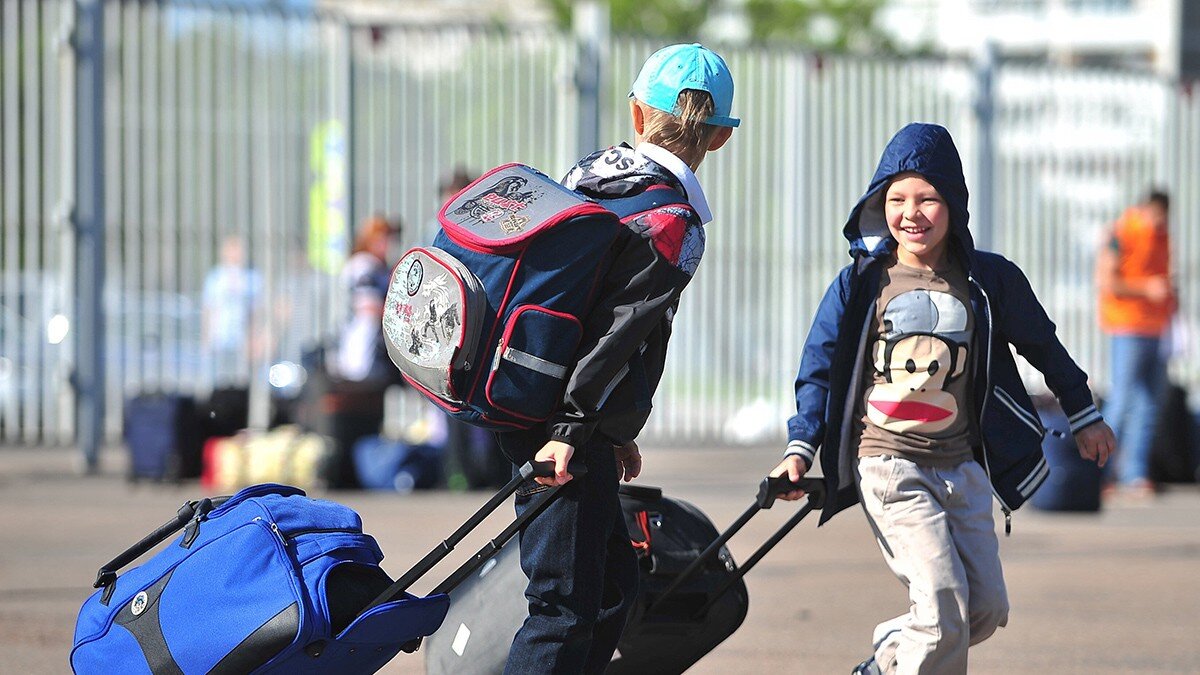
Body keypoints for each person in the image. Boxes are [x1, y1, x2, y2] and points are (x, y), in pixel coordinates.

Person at [768, 123, 1114, 675]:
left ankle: (886, 661)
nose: (912, 213)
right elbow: (819, 371)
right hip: (888, 464)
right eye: (897, 199)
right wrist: (800, 448)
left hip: (962, 468)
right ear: (879, 206)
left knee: (983, 609)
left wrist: (1083, 413)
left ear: (954, 204)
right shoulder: (859, 284)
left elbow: (1043, 345)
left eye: (928, 198)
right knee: (941, 608)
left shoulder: (987, 280)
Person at [497, 43, 736, 674]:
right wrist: (577, 429)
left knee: (610, 590)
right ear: (717, 139)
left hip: (531, 389)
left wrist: (612, 430)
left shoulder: (585, 177)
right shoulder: (673, 219)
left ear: (637, 115)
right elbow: (622, 332)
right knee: (563, 606)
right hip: (563, 425)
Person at [1096, 189, 1176, 498]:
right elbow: (1107, 280)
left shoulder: (1162, 235)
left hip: (1156, 327)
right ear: (1146, 209)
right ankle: (1102, 474)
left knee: (1149, 403)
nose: (1159, 222)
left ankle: (1135, 473)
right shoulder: (1122, 232)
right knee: (1122, 398)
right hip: (1127, 325)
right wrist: (1147, 288)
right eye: (1156, 215)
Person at [201, 234, 263, 387]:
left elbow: (257, 311)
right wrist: (206, 337)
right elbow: (208, 308)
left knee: (242, 381)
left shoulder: (252, 277)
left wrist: (254, 337)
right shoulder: (216, 277)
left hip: (243, 339)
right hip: (220, 337)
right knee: (218, 380)